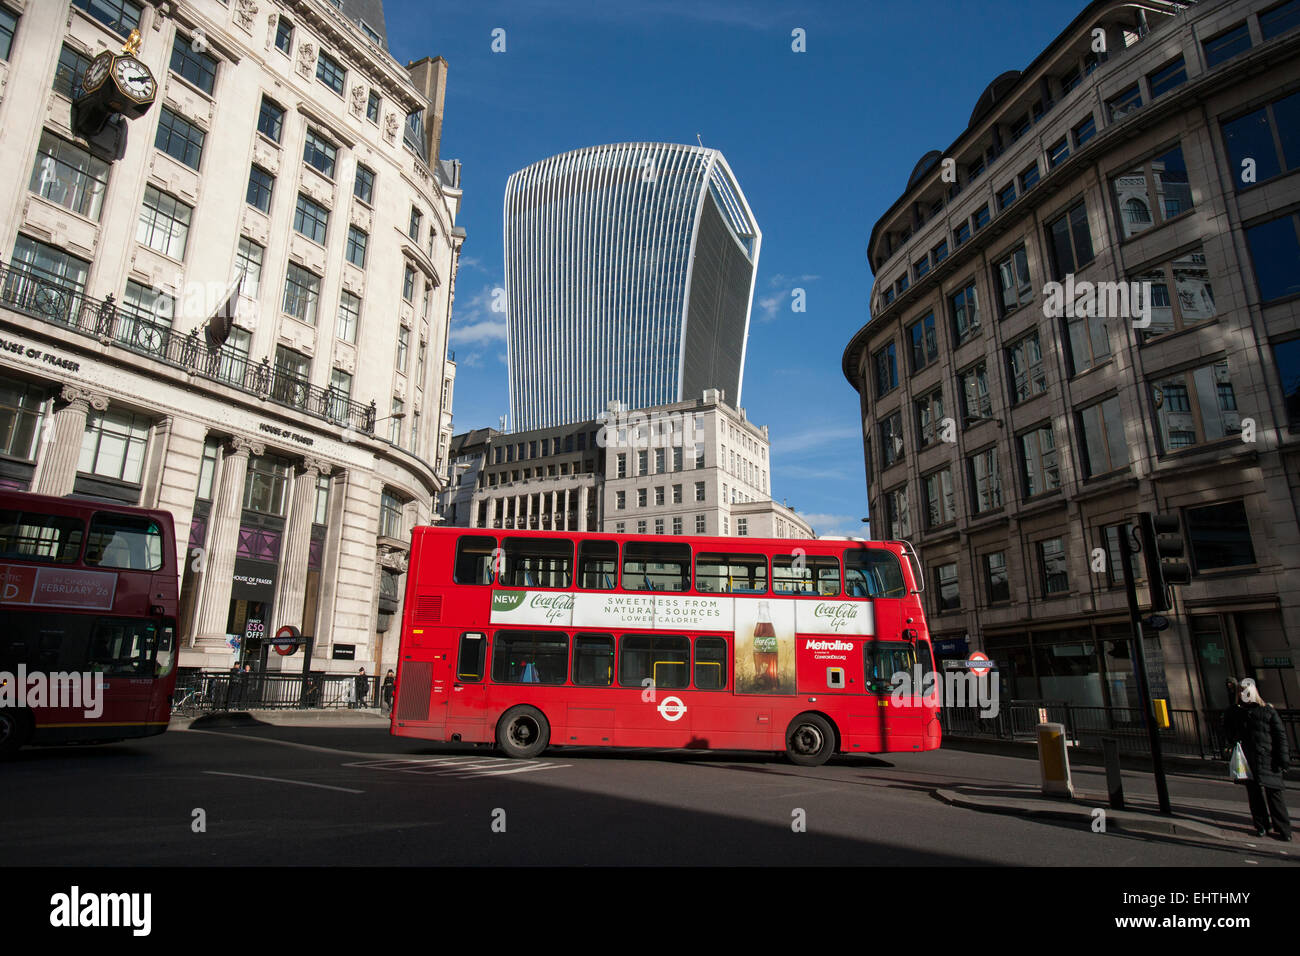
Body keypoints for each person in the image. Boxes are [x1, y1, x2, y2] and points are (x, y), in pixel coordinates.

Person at [1224, 678, 1292, 841]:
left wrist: (1283, 758)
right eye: (1240, 691)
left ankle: (1283, 828)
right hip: (1247, 758)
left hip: (1269, 758)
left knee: (1274, 794)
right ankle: (1261, 826)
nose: (1243, 694)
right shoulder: (1234, 712)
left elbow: (1280, 736)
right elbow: (1228, 732)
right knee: (1254, 794)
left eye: (1245, 691)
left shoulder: (1267, 710)